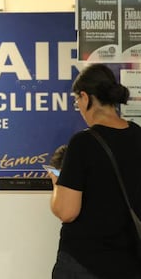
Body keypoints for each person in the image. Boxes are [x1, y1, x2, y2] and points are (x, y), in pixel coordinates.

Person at [48, 63, 141, 279]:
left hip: (85, 262)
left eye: (77, 100)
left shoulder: (83, 143)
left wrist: (56, 183)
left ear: (86, 97)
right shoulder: (137, 135)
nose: (78, 106)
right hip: (129, 262)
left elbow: (67, 211)